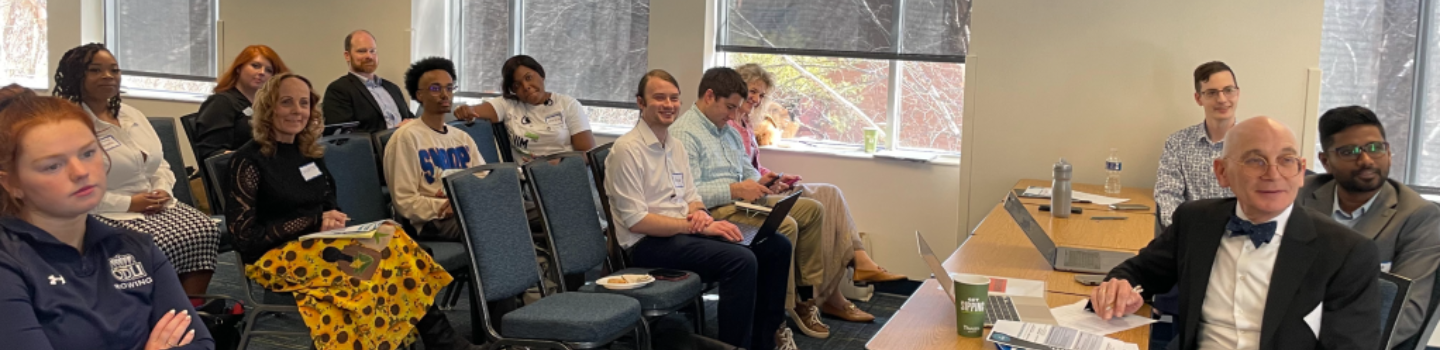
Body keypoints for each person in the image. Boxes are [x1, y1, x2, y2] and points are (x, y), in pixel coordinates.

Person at [224, 73, 478, 350]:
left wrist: (332, 219)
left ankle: (438, 339)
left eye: (304, 103)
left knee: (391, 238)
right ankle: (430, 342)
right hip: (276, 258)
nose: (298, 110)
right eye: (287, 102)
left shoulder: (306, 152)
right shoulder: (248, 160)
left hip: (321, 245)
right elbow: (244, 238)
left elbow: (328, 203)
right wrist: (313, 222)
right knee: (372, 270)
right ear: (268, 107)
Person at [1091, 117, 1381, 349]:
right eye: (1256, 160)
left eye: (1286, 160)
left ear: (1301, 171)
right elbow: (1138, 272)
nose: (1273, 173)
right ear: (1222, 172)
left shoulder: (1345, 252)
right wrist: (1120, 287)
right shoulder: (1197, 221)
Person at [0, 84, 215, 349]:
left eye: (88, 153)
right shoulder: (10, 260)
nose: (81, 171)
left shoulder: (136, 246)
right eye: (53, 165)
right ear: (12, 184)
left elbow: (199, 343)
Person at [608, 70, 794, 350]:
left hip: (682, 232)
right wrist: (697, 225)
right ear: (640, 102)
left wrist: (699, 213)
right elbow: (637, 222)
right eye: (659, 98)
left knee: (774, 245)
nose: (669, 104)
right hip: (646, 244)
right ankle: (734, 345)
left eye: (674, 98)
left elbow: (691, 196)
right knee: (741, 260)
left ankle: (763, 340)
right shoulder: (627, 150)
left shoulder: (674, 145)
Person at [669, 67, 831, 341]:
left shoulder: (728, 132)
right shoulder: (685, 133)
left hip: (739, 202)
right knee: (785, 229)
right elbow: (689, 193)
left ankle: (805, 299)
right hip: (715, 210)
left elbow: (747, 171)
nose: (734, 115)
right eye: (730, 107)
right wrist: (736, 189)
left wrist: (765, 182)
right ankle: (778, 318)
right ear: (709, 96)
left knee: (813, 210)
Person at [729, 63, 896, 323]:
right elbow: (736, 176)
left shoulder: (746, 123)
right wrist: (765, 181)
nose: (756, 99)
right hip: (747, 200)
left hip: (762, 188)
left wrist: (776, 177)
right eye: (752, 91)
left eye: (761, 95)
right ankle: (842, 280)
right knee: (824, 200)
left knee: (830, 195)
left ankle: (841, 282)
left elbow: (751, 167)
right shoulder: (727, 126)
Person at [51, 43, 221, 297]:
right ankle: (148, 313)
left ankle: (189, 312)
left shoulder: (133, 114)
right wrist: (129, 203)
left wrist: (162, 190)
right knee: (153, 244)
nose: (108, 76)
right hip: (104, 210)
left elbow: (159, 164)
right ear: (77, 76)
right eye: (96, 70)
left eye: (114, 70)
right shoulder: (68, 125)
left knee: (204, 229)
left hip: (154, 201)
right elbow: (70, 190)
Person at [1296, 105, 1440, 348]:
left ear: (1389, 152)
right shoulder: (1298, 196)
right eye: (1349, 151)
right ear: (1325, 161)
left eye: (1376, 148)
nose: (1366, 160)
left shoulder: (1417, 216)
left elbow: (1402, 314)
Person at [384, 57, 484, 241]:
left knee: (532, 210)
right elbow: (405, 201)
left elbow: (483, 180)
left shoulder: (462, 137)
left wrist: (466, 201)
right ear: (420, 95)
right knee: (495, 223)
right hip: (433, 221)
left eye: (449, 87)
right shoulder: (406, 138)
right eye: (436, 89)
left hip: (469, 208)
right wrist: (449, 206)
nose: (445, 95)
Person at [451, 55, 597, 162]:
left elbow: (588, 154)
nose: (525, 87)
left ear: (541, 74)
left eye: (529, 78)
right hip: (530, 181)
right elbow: (475, 111)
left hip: (566, 172)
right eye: (517, 85)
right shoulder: (509, 104)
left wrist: (559, 163)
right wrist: (465, 110)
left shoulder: (568, 104)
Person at [1155, 61, 1240, 228]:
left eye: (1228, 90)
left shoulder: (1255, 145)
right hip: (1189, 238)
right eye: (1212, 93)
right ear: (1198, 98)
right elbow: (1167, 197)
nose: (1222, 99)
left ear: (1238, 93)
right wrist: (1190, 234)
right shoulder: (1177, 143)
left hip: (1240, 241)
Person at [194, 45, 289, 159]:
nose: (262, 72)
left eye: (269, 70)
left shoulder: (265, 105)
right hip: (237, 170)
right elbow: (212, 153)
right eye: (255, 66)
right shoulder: (221, 102)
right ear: (239, 68)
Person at [323, 30, 415, 132]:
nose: (369, 56)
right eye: (362, 51)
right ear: (347, 56)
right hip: (374, 147)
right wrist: (394, 133)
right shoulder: (339, 90)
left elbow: (410, 118)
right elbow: (345, 137)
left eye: (372, 51)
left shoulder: (392, 88)